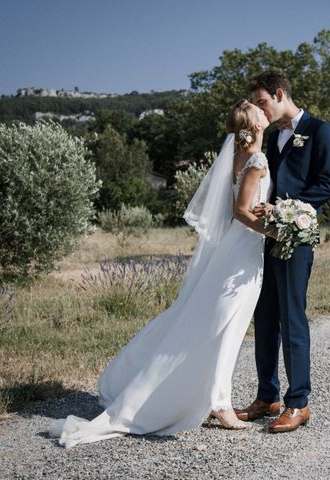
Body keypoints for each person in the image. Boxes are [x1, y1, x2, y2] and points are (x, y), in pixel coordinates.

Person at [49, 100, 274, 448]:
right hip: (242, 254)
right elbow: (241, 211)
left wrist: (271, 214)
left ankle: (211, 398)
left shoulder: (236, 158)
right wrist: (277, 230)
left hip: (238, 250)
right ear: (255, 126)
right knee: (224, 329)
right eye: (259, 111)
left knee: (217, 326)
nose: (264, 111)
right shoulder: (256, 160)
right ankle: (219, 404)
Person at [235, 71, 330, 433]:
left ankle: (299, 403)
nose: (261, 111)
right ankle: (268, 396)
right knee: (264, 319)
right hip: (263, 238)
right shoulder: (271, 137)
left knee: (292, 318)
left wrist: (284, 209)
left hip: (297, 235)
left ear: (280, 94)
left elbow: (326, 185)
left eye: (263, 101)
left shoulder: (320, 130)